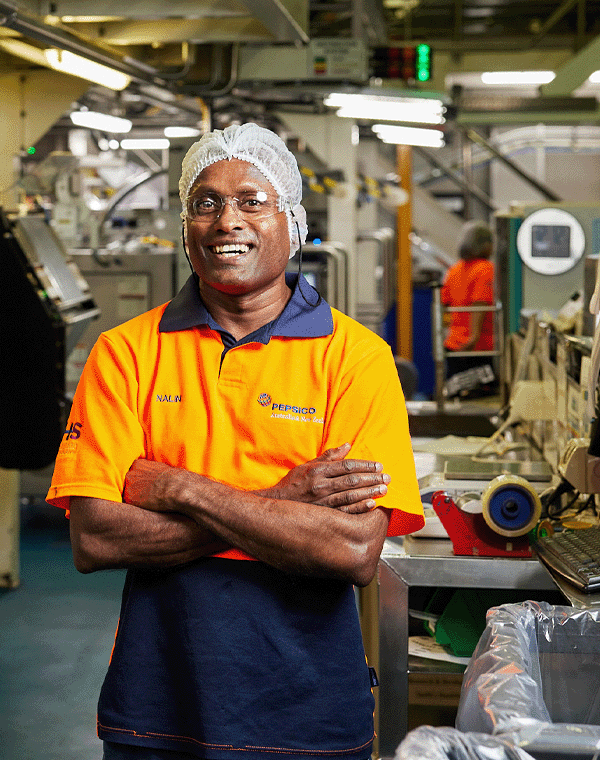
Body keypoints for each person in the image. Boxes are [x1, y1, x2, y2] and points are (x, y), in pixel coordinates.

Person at [46, 123, 424, 760]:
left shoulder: (356, 360)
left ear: (291, 222)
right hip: (158, 705)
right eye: (206, 203)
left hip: (310, 710)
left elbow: (354, 550)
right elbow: (96, 538)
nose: (228, 221)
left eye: (252, 200)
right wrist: (286, 496)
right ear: (187, 225)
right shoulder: (126, 355)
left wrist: (176, 487)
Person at [440, 221, 497, 398]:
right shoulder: (485, 268)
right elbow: (479, 303)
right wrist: (474, 336)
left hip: (454, 344)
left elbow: (445, 303)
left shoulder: (455, 269)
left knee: (455, 396)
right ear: (485, 245)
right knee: (479, 396)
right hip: (477, 347)